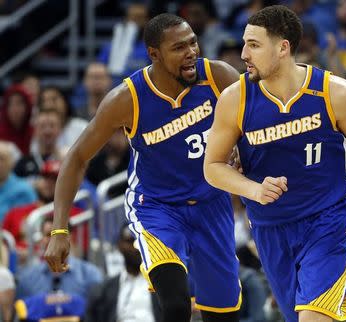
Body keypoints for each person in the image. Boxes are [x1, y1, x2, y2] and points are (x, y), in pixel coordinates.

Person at [44, 13, 241, 322]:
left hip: (212, 204)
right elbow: (76, 157)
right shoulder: (127, 98)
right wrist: (59, 228)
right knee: (175, 305)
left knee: (224, 315)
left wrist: (242, 148)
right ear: (154, 54)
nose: (191, 52)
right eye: (179, 48)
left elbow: (257, 118)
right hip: (158, 208)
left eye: (193, 43)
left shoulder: (218, 76)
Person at [204, 5, 346, 322]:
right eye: (245, 43)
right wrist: (254, 189)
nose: (244, 53)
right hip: (270, 231)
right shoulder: (235, 99)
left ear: (283, 47)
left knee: (312, 317)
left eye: (254, 45)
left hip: (328, 222)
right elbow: (213, 166)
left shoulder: (334, 92)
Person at [85, 224, 161, 322]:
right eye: (130, 241)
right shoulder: (105, 288)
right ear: (119, 246)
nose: (136, 247)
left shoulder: (162, 284)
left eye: (141, 241)